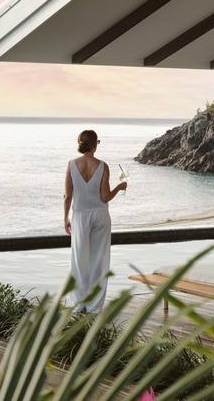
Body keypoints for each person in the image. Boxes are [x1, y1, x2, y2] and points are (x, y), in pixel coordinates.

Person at [63, 129, 126, 313]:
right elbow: (105, 197)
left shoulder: (72, 165)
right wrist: (120, 187)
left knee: (78, 258)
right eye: (97, 141)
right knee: (99, 259)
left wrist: (65, 217)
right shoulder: (103, 166)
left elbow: (68, 195)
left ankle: (77, 303)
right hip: (100, 215)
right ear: (93, 144)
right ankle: (94, 305)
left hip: (80, 215)